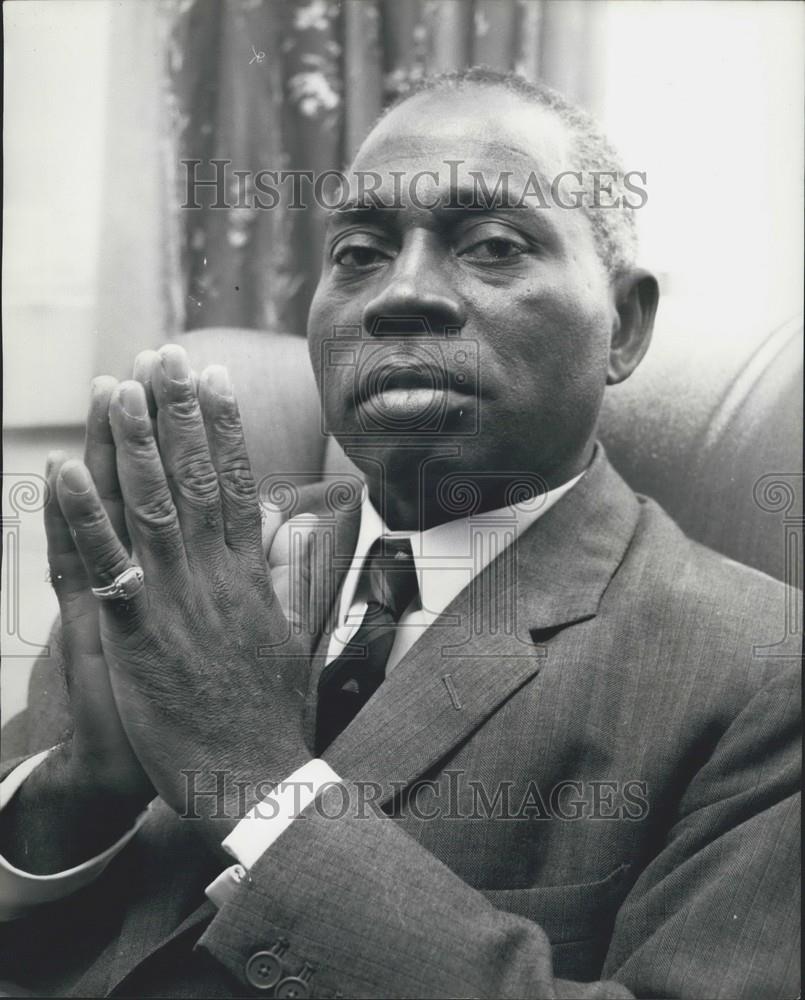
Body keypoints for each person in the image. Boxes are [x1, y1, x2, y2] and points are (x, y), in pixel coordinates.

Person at [0, 69, 799, 999]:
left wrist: (257, 784)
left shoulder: (766, 684)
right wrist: (83, 787)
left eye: (494, 245)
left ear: (621, 325)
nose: (400, 294)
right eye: (359, 251)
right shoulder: (179, 580)